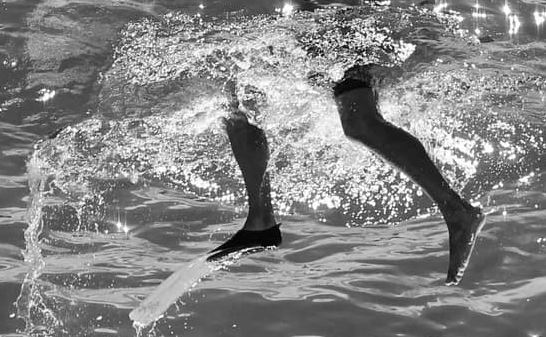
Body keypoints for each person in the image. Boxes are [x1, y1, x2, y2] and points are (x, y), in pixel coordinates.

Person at [204, 62, 485, 284]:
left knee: (357, 121)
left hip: (348, 13)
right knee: (233, 101)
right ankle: (260, 219)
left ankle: (456, 209)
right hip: (307, 16)